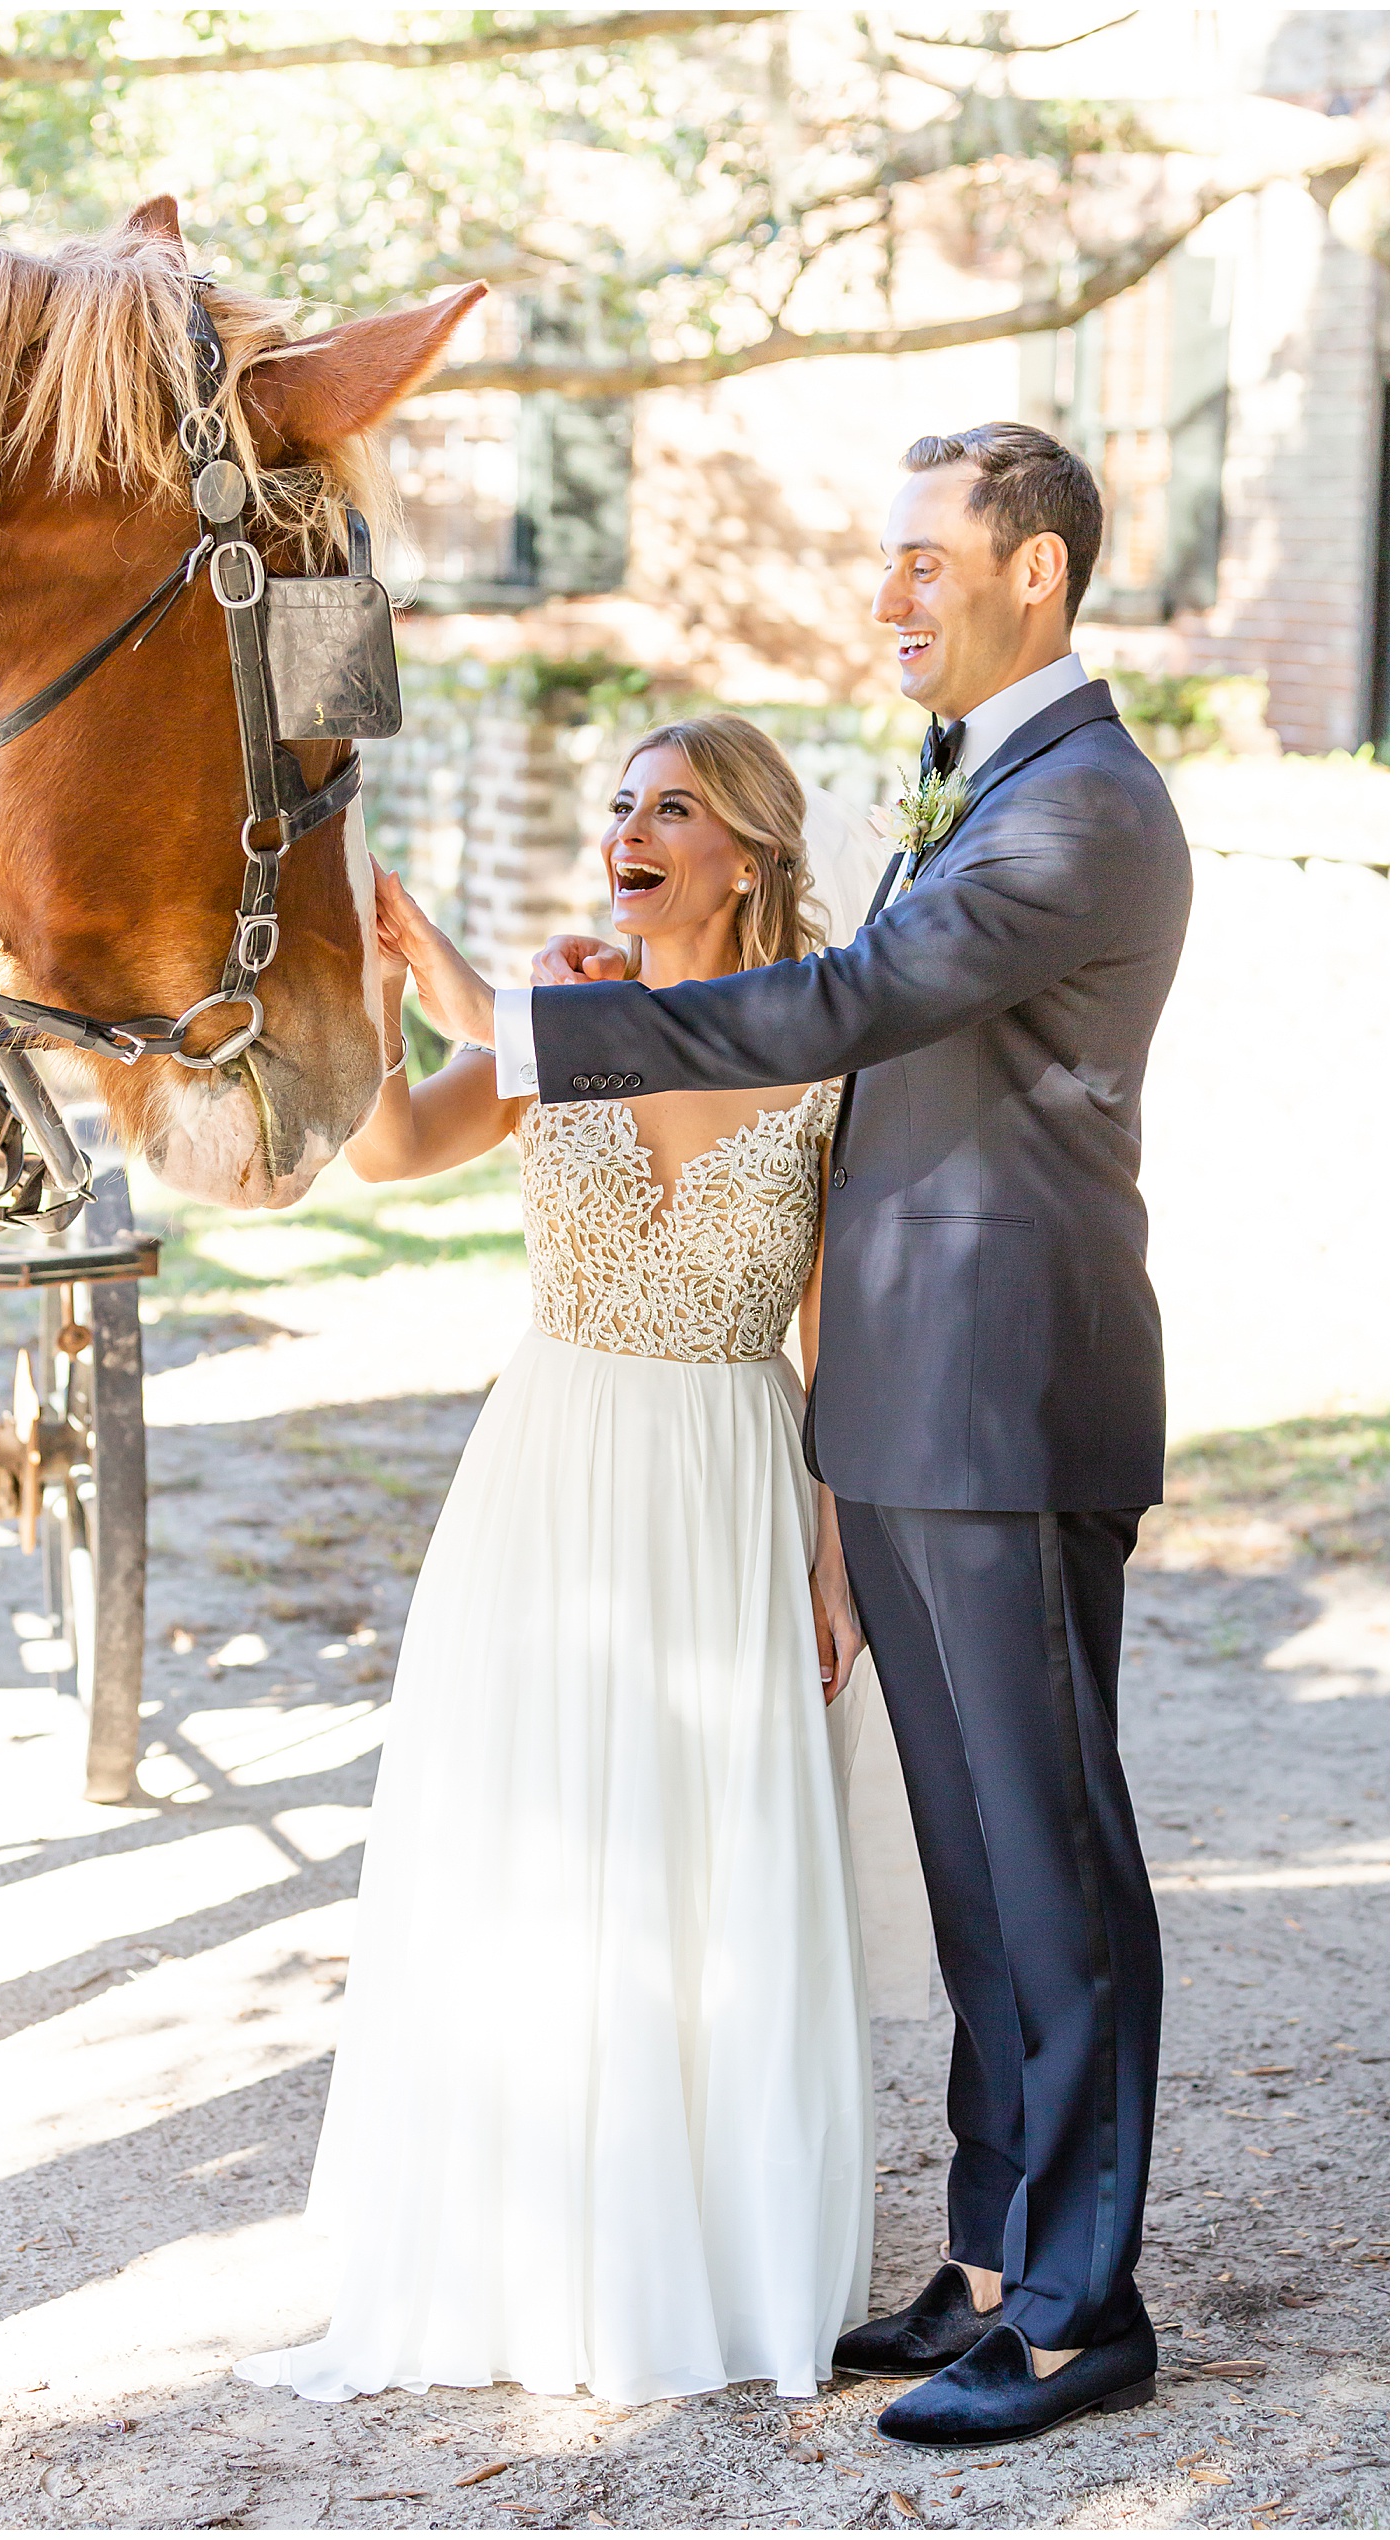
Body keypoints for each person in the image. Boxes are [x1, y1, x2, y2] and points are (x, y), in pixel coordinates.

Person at [387, 424, 1192, 2450]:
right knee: (978, 1861)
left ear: (1035, 572)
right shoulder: (990, 786)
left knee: (1051, 1857)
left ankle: (1084, 2308)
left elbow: (846, 1005)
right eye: (889, 557)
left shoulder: (1076, 805)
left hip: (1003, 1396)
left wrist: (530, 1023)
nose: (891, 591)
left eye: (926, 559)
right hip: (909, 1404)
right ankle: (999, 2256)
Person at [235, 715, 898, 2406]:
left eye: (675, 805)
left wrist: (834, 1561)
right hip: (550, 1480)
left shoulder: (827, 1048)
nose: (635, 826)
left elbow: (835, 1336)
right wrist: (390, 1001)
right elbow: (386, 1152)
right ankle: (536, 2254)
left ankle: (716, 2260)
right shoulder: (565, 1022)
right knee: (539, 1857)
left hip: (732, 1478)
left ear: (746, 853)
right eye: (623, 803)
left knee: (710, 1868)